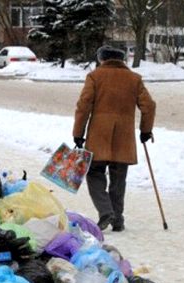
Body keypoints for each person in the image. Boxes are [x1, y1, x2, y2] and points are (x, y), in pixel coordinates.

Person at [73, 45, 156, 232]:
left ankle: (105, 210)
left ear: (102, 59)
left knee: (94, 173)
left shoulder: (95, 77)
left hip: (98, 136)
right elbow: (149, 106)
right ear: (122, 60)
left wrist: (78, 133)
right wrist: (145, 130)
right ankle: (117, 219)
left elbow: (83, 106)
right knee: (119, 178)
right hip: (124, 138)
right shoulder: (134, 79)